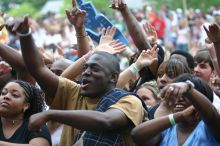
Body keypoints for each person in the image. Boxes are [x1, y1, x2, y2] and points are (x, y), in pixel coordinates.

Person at [1, 11, 145, 146]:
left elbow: (106, 121)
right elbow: (38, 69)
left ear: (113, 77)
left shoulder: (129, 101)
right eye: (85, 68)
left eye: (95, 69)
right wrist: (25, 34)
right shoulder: (73, 92)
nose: (86, 73)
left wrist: (51, 114)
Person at [131, 73, 220, 146]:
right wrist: (179, 116)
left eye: (185, 96)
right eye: (177, 95)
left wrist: (188, 89)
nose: (180, 99)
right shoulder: (168, 128)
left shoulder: (211, 128)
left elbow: (212, 115)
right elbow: (136, 135)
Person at [0, 80, 51, 145]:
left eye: (15, 95)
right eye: (3, 93)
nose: (6, 97)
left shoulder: (35, 125)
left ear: (26, 106)